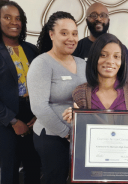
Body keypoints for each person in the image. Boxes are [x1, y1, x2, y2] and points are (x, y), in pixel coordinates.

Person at [0, 0, 40, 184]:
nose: (14, 22)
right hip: (3, 119)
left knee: (33, 166)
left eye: (18, 18)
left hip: (32, 116)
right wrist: (13, 121)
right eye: (8, 17)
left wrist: (38, 115)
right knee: (10, 170)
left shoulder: (31, 49)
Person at [26, 11, 86, 184]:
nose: (71, 38)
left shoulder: (82, 64)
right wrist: (67, 133)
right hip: (52, 136)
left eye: (74, 33)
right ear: (51, 34)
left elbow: (89, 96)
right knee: (55, 179)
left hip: (79, 134)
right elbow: (39, 107)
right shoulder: (42, 64)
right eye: (64, 33)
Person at [63, 33, 128, 122]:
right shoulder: (80, 92)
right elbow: (79, 132)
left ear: (122, 61)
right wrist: (73, 120)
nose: (110, 61)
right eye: (103, 55)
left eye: (116, 56)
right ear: (94, 58)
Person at [72, 2, 128, 69]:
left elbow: (124, 77)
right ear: (86, 20)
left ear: (108, 21)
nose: (98, 19)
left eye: (102, 15)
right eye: (94, 15)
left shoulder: (120, 48)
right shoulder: (77, 48)